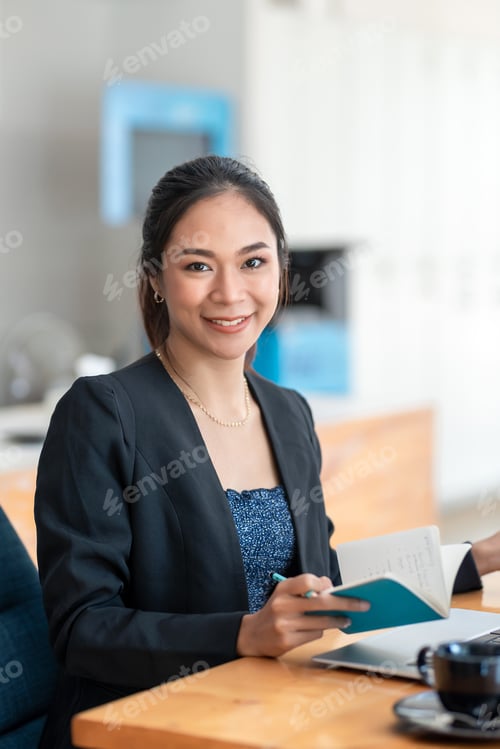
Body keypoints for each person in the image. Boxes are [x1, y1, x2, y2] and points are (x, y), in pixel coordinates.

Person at [34, 155, 500, 749]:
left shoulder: (288, 412)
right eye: (198, 265)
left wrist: (477, 557)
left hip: (265, 713)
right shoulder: (104, 412)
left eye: (253, 262)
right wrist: (243, 634)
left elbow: (323, 585)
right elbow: (82, 629)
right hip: (146, 728)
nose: (231, 293)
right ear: (154, 276)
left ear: (280, 270)